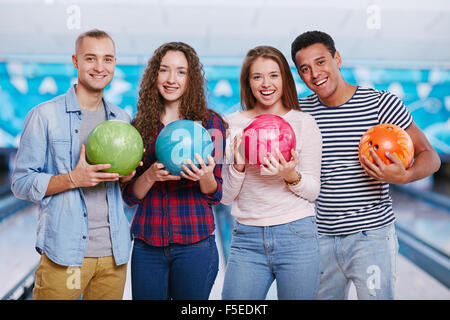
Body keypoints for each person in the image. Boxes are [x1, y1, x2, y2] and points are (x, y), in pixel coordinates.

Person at [291, 30, 441, 300]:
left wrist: (404, 176)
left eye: (321, 62)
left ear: (337, 58)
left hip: (371, 236)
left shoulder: (381, 104)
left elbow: (431, 156)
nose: (315, 73)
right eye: (305, 69)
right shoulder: (300, 112)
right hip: (317, 237)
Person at [11, 29, 136, 300]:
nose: (100, 67)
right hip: (65, 254)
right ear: (75, 61)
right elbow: (20, 183)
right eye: (91, 58)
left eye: (108, 59)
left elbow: (121, 186)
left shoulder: (121, 118)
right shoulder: (44, 116)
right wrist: (72, 179)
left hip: (114, 255)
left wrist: (128, 176)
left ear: (115, 64)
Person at [121, 42, 227, 300]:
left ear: (191, 79)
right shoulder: (138, 127)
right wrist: (150, 176)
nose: (171, 79)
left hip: (196, 244)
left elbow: (216, 194)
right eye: (164, 70)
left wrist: (205, 177)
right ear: (153, 76)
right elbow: (129, 196)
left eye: (181, 72)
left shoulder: (213, 124)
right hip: (148, 246)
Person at [220, 46, 322, 300]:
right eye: (257, 77)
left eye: (274, 75)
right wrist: (239, 165)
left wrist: (291, 175)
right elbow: (224, 196)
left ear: (284, 79)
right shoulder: (232, 124)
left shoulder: (303, 122)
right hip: (247, 238)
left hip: (297, 235)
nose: (266, 84)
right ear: (248, 82)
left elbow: (312, 191)